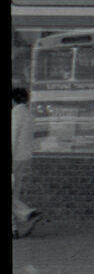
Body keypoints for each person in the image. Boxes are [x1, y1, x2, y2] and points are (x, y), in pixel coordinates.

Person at [12, 86, 41, 238]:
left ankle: (26, 213)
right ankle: (14, 229)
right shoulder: (30, 115)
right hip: (24, 157)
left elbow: (13, 137)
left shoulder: (15, 114)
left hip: (14, 156)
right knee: (14, 192)